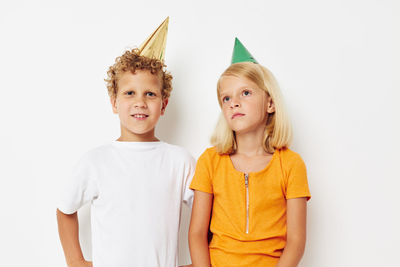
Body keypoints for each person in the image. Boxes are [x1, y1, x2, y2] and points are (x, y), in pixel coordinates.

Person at [56, 17, 194, 267]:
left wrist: (199, 261)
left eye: (150, 94)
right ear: (114, 102)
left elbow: (209, 215)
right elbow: (65, 209)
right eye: (129, 93)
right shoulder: (95, 161)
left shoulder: (180, 161)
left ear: (163, 105)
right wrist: (75, 260)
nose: (140, 102)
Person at [189, 38, 311, 267]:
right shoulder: (210, 161)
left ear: (270, 104)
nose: (234, 102)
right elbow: (197, 234)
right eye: (226, 98)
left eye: (245, 93)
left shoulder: (291, 164)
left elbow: (296, 242)